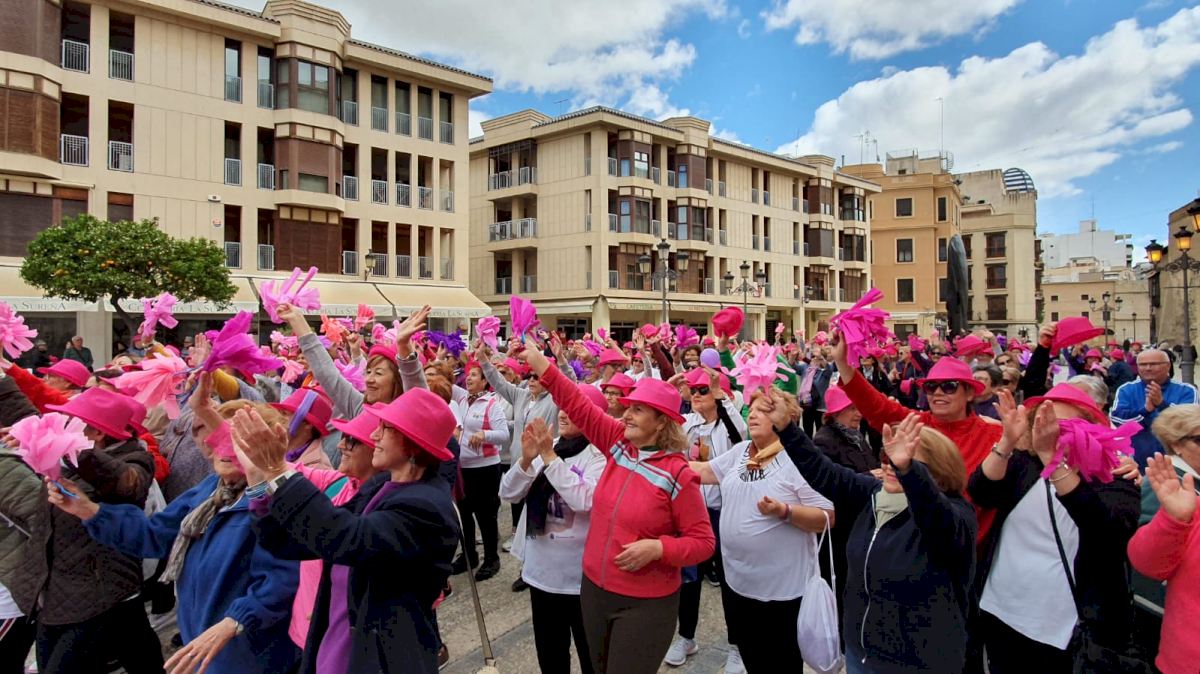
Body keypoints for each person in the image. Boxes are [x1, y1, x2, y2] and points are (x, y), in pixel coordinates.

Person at [46, 402, 301, 674]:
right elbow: (153, 535)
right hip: (203, 645)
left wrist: (233, 623)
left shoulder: (274, 502)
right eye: (221, 437)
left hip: (249, 654)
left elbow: (282, 580)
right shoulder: (210, 491)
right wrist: (88, 510)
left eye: (239, 440)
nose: (225, 447)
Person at [517, 346, 715, 674]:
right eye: (628, 407)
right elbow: (578, 404)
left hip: (645, 603)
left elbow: (703, 542)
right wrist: (541, 363)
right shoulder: (619, 444)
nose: (626, 415)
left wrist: (659, 548)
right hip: (595, 591)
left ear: (661, 422)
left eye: (637, 409)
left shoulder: (678, 474)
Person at [242, 387, 461, 674]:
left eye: (385, 428)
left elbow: (347, 538)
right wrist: (258, 483)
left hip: (378, 659)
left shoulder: (428, 508)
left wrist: (278, 472)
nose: (374, 435)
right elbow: (301, 539)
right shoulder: (379, 487)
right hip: (337, 647)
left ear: (412, 443)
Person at [770, 392, 977, 673]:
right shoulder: (875, 494)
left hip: (917, 664)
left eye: (907, 462)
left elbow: (935, 518)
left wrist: (909, 471)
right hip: (860, 653)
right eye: (887, 456)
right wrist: (785, 427)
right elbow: (825, 472)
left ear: (939, 472)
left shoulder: (956, 516)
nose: (891, 466)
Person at [969, 385, 1140, 673]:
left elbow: (1107, 532)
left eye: (1063, 425)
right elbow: (981, 492)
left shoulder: (1114, 477)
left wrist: (1055, 462)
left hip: (1068, 629)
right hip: (1001, 609)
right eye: (1043, 423)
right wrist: (1007, 441)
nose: (1051, 432)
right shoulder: (1025, 464)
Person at [688, 389, 835, 674]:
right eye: (751, 409)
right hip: (738, 583)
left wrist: (785, 511)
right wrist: (661, 461)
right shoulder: (742, 451)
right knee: (752, 657)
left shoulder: (799, 459)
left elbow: (827, 516)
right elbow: (705, 471)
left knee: (781, 665)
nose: (752, 415)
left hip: (781, 593)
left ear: (785, 418)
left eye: (763, 411)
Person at [17, 388, 162, 673]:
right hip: (58, 592)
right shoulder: (66, 461)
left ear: (97, 433)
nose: (64, 426)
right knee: (141, 654)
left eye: (73, 422)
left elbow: (127, 483)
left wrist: (75, 448)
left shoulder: (135, 460)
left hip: (98, 592)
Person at [831, 330, 1003, 542]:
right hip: (918, 543)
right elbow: (875, 405)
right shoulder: (915, 423)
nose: (938, 392)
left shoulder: (995, 434)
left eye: (949, 386)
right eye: (931, 387)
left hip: (970, 547)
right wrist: (842, 363)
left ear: (969, 393)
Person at [500, 398, 606, 674]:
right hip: (542, 577)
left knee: (593, 659)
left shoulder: (600, 456)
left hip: (582, 581)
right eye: (563, 408)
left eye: (574, 411)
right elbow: (508, 493)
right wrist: (526, 459)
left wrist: (548, 456)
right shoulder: (550, 445)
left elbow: (584, 500)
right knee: (551, 657)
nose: (563, 414)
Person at [664, 367, 747, 671]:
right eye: (694, 390)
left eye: (703, 390)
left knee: (729, 580)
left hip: (723, 513)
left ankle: (737, 645)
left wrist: (721, 397)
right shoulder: (689, 423)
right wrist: (669, 389)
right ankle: (686, 637)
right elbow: (662, 421)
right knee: (689, 579)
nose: (696, 395)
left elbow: (740, 433)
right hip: (691, 512)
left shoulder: (729, 425)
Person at [1128, 404, 1200, 673]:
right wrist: (1174, 519)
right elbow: (1146, 560)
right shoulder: (1168, 482)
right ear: (1177, 444)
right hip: (1162, 612)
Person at [453, 359, 510, 581]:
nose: (469, 378)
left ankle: (491, 559)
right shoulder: (462, 400)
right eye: (468, 375)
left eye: (475, 375)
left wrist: (484, 435)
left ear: (485, 381)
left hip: (485, 468)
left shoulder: (491, 404)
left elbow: (503, 434)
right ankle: (469, 555)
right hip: (463, 467)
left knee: (485, 516)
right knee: (464, 514)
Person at [1112, 349, 1198, 468]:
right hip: (1137, 460)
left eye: (1153, 364)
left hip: (1178, 461)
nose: (1148, 368)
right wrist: (1145, 411)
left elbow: (1189, 424)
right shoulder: (1126, 390)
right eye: (1143, 364)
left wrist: (1162, 404)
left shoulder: (1186, 390)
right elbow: (1117, 420)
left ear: (1168, 366)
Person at [813, 385, 878, 474]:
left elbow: (872, 464)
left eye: (859, 408)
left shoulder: (855, 435)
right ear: (836, 413)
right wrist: (869, 476)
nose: (859, 414)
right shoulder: (824, 441)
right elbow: (830, 477)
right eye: (852, 409)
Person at [270, 388, 334, 469]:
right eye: (279, 412)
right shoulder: (277, 447)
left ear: (307, 423)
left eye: (284, 414)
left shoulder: (317, 468)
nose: (277, 417)